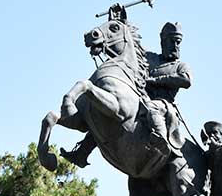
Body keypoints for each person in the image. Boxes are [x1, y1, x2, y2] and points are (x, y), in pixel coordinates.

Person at [60, 21, 191, 168]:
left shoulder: (179, 65)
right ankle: (82, 153)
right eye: (171, 41)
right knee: (102, 113)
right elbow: (128, 53)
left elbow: (186, 80)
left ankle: (160, 139)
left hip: (163, 103)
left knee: (153, 107)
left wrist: (155, 80)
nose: (174, 46)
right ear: (163, 41)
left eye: (177, 42)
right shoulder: (151, 59)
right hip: (140, 96)